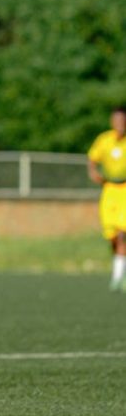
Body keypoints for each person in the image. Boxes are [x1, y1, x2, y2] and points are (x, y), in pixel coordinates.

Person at [87, 106, 126, 291]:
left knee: (123, 234)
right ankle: (118, 271)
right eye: (117, 120)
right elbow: (92, 159)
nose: (120, 124)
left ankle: (119, 277)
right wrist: (94, 173)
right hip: (109, 189)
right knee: (111, 236)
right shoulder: (104, 140)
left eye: (123, 121)